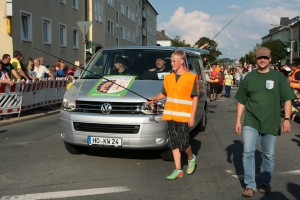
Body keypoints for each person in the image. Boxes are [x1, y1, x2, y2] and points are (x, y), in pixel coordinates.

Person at [234, 47, 296, 197]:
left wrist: (287, 119)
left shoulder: (278, 77)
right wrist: (238, 120)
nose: (262, 60)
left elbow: (288, 98)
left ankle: (265, 182)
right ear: (255, 59)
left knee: (268, 154)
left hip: (271, 120)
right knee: (247, 151)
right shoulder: (249, 77)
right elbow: (242, 101)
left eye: (265, 58)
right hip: (251, 120)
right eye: (259, 58)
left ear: (270, 59)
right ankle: (250, 185)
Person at [149, 50, 198, 180]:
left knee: (183, 142)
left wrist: (192, 116)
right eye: (171, 61)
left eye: (174, 61)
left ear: (182, 61)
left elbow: (195, 98)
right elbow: (164, 94)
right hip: (170, 115)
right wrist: (154, 99)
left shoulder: (191, 77)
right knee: (173, 143)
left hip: (184, 115)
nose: (172, 63)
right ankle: (178, 169)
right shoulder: (169, 77)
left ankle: (191, 158)